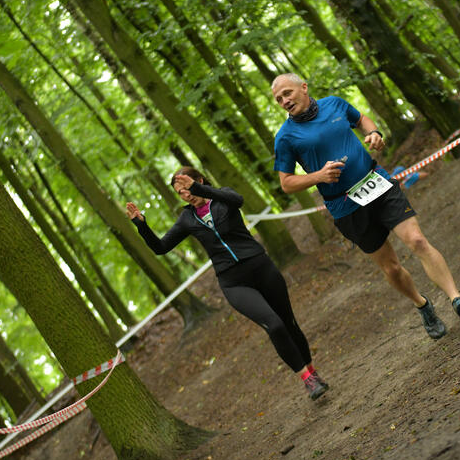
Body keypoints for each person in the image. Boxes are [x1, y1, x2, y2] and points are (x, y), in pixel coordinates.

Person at [271, 73, 460, 340]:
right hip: (345, 205)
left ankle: (457, 299)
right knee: (391, 267)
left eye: (287, 93)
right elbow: (287, 183)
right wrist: (318, 177)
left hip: (377, 183)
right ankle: (422, 305)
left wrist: (374, 133)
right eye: (279, 99)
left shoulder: (334, 104)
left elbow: (361, 119)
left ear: (303, 87)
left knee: (417, 241)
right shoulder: (285, 137)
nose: (284, 100)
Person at [126, 167, 329, 400]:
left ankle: (313, 372)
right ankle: (307, 379)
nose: (186, 195)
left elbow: (238, 200)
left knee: (288, 323)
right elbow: (160, 248)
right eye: (180, 193)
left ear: (200, 181)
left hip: (261, 268)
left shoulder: (222, 198)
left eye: (187, 188)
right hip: (233, 282)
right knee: (274, 325)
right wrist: (141, 224)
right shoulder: (186, 219)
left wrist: (199, 189)